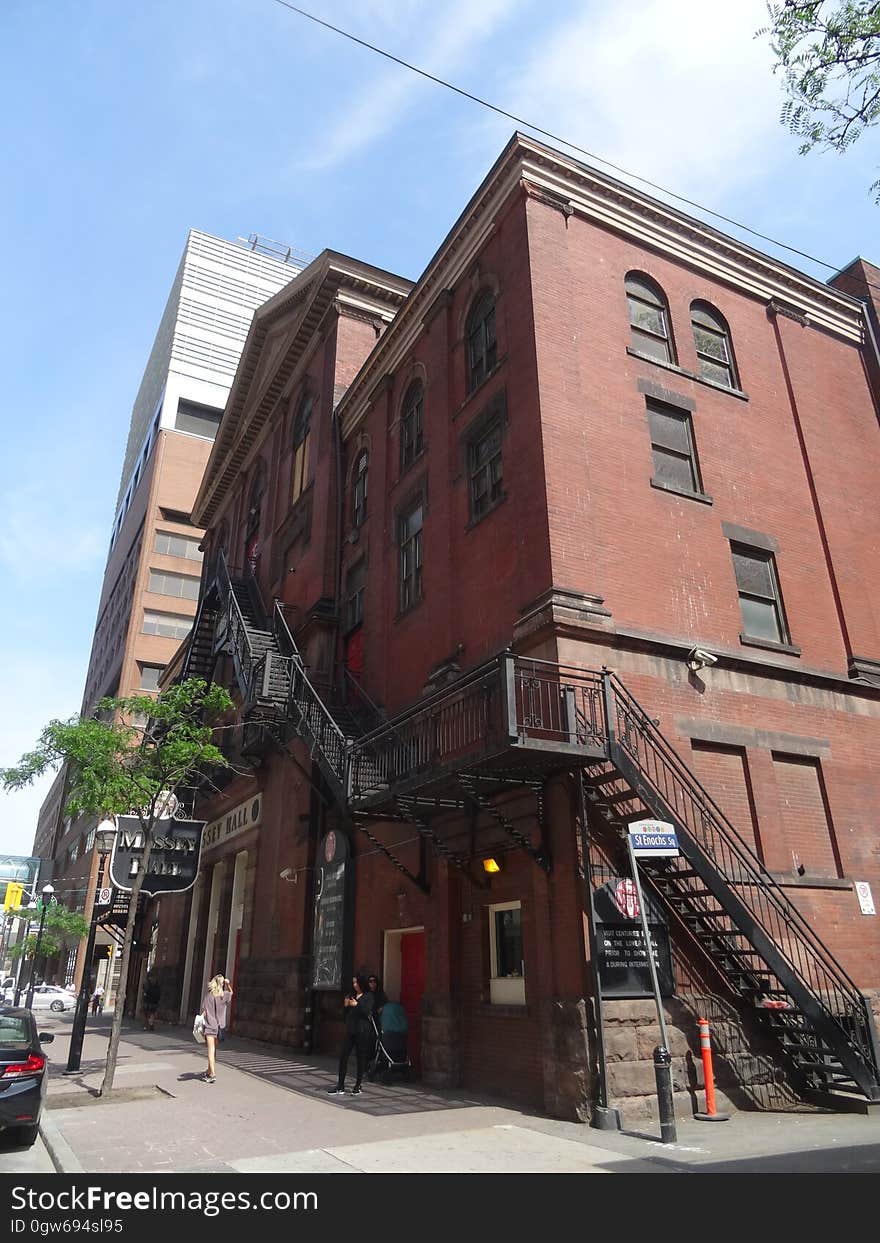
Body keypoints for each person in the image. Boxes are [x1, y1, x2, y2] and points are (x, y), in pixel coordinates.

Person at [327, 973, 374, 1097]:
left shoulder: (369, 996)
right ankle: (340, 1085)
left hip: (362, 1030)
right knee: (344, 1056)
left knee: (360, 1058)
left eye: (356, 982)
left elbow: (367, 1012)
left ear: (361, 983)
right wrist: (346, 1005)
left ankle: (358, 1086)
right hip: (351, 1029)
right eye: (353, 982)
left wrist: (357, 1005)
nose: (354, 985)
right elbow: (346, 1013)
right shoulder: (351, 994)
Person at [199, 974, 232, 1083]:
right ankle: (209, 1070)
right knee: (214, 1051)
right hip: (219, 1028)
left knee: (210, 1051)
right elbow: (231, 993)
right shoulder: (224, 995)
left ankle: (212, 1074)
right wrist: (228, 985)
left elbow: (203, 1012)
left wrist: (200, 1021)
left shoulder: (208, 996)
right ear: (222, 984)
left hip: (209, 1027)